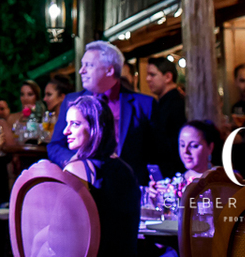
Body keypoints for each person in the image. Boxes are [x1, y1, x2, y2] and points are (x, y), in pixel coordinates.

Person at [49, 40, 155, 182]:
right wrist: (78, 164)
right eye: (82, 65)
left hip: (130, 187)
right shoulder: (71, 101)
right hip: (83, 183)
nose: (82, 71)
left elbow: (157, 154)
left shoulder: (144, 104)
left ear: (110, 70)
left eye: (89, 65)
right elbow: (55, 146)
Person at [60, 95, 141, 257]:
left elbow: (59, 227)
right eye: (66, 124)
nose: (65, 131)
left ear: (95, 128)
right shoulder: (126, 169)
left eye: (75, 124)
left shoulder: (76, 169)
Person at [145, 58, 187, 178]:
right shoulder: (163, 103)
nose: (148, 79)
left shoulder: (175, 104)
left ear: (168, 77)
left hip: (173, 171)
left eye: (152, 75)